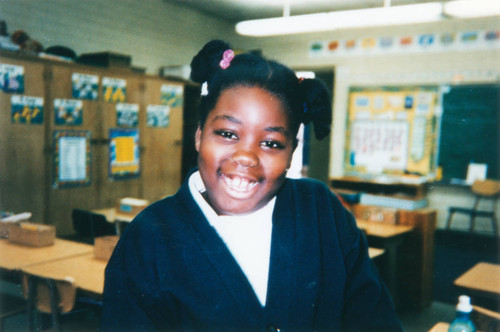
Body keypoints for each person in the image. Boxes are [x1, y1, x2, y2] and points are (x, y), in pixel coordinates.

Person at [101, 40, 402, 332]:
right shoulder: (148, 238)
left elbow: (376, 320)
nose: (246, 157)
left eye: (271, 143)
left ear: (291, 153)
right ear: (199, 135)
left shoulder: (321, 211)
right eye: (228, 134)